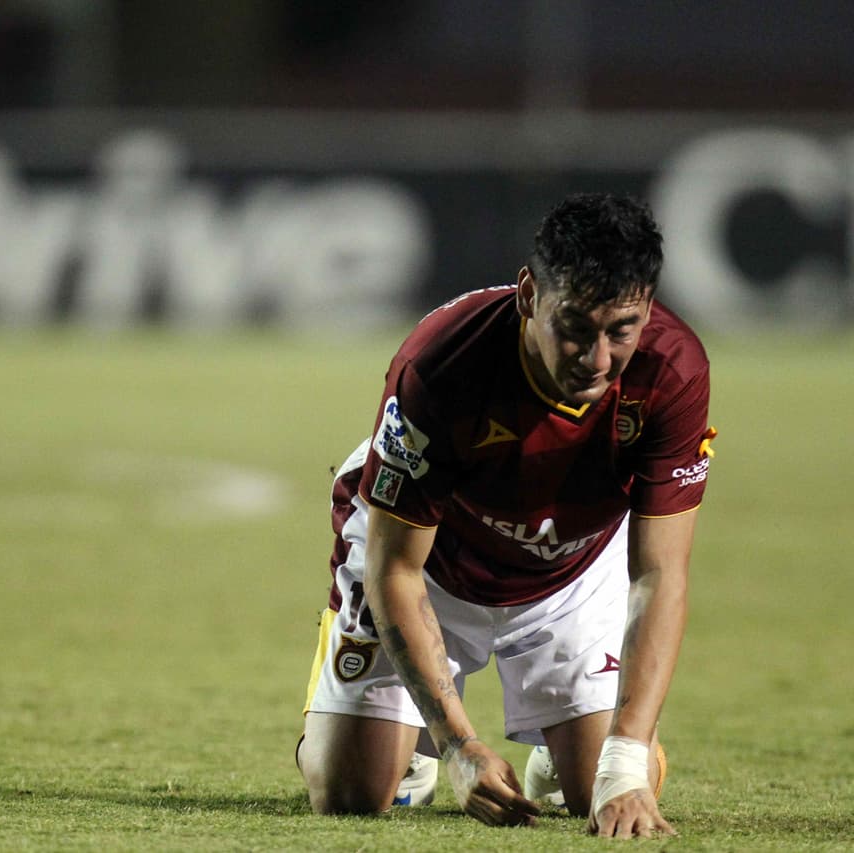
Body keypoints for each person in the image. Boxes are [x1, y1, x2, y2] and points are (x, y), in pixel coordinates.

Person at [297, 193, 715, 838]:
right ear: (529, 295)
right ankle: (413, 749)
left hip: (571, 567)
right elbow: (394, 568)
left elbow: (660, 575)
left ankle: (563, 749)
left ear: (649, 309)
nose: (597, 359)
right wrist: (459, 744)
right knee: (351, 792)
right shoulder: (443, 366)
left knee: (607, 788)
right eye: (575, 326)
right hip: (432, 566)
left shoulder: (673, 372)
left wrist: (624, 765)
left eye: (621, 330)